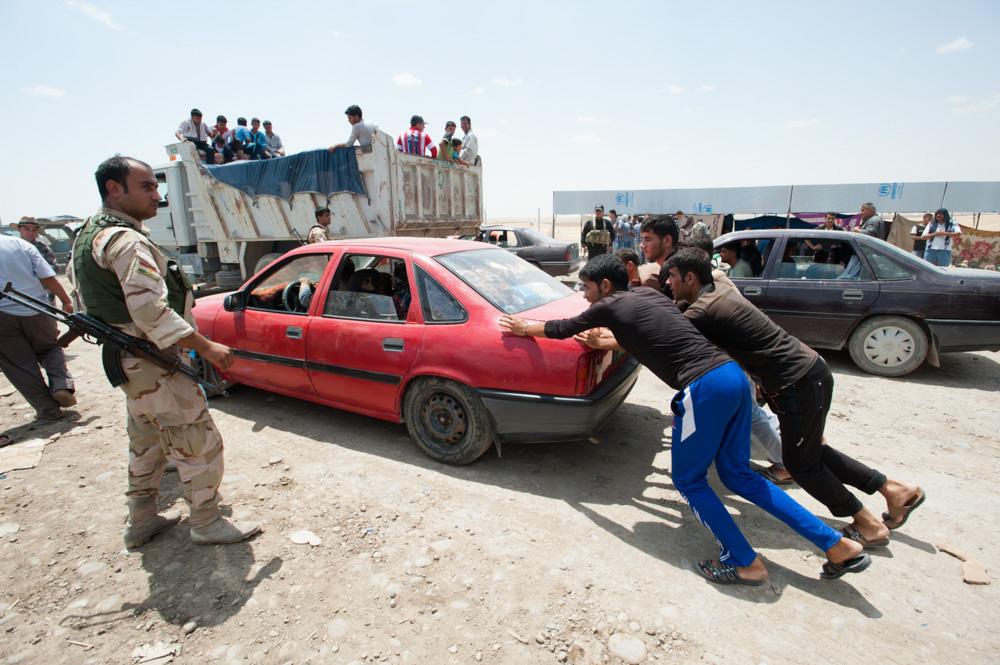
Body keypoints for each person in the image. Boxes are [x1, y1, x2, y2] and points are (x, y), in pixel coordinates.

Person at [501, 253, 870, 584]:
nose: (583, 295)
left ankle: (745, 562)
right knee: (739, 476)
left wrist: (523, 328)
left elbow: (563, 328)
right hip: (733, 378)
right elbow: (654, 334)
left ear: (606, 285)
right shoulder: (649, 296)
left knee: (688, 480)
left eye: (585, 287)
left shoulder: (608, 305)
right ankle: (836, 544)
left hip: (705, 388)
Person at [665, 247, 926, 546]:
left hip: (797, 383)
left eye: (672, 276)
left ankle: (867, 523)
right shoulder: (718, 293)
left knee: (800, 465)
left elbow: (664, 335)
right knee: (811, 452)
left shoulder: (704, 310)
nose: (668, 282)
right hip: (809, 374)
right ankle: (893, 489)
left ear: (689, 277)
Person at [71, 155, 259, 547]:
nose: (157, 195)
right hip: (152, 361)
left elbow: (86, 298)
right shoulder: (126, 241)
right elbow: (150, 311)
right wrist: (207, 347)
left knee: (147, 442)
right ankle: (206, 521)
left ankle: (141, 520)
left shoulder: (90, 235)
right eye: (147, 187)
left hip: (130, 363)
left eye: (156, 187)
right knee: (196, 440)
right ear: (114, 189)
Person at [0, 234, 76, 421]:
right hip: (36, 308)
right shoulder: (19, 244)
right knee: (50, 348)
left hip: (3, 317)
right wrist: (66, 300)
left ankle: (48, 409)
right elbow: (47, 276)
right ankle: (61, 385)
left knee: (19, 364)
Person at [639, 215, 679, 297]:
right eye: (642, 239)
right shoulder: (674, 262)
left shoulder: (671, 268)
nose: (642, 245)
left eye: (648, 239)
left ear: (667, 241)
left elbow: (666, 303)